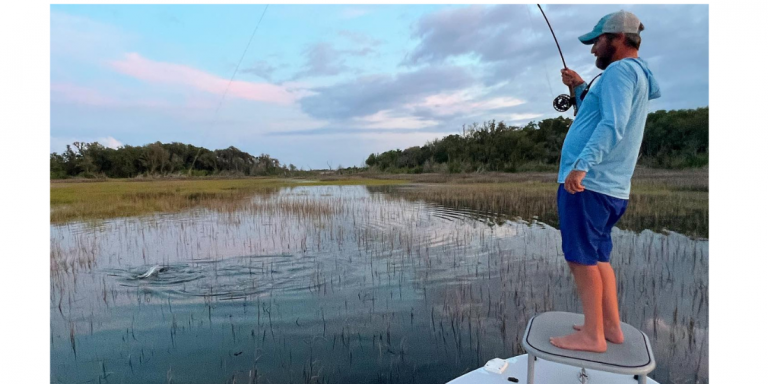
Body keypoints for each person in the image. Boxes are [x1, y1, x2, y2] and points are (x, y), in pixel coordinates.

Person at [550, 10, 661, 353]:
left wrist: (581, 167)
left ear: (618, 39)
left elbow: (613, 124)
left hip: (590, 186)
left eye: (597, 41)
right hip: (609, 189)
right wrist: (581, 87)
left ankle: (592, 337)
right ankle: (610, 328)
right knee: (598, 257)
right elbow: (599, 114)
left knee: (579, 257)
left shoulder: (619, 71)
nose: (593, 49)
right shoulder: (635, 74)